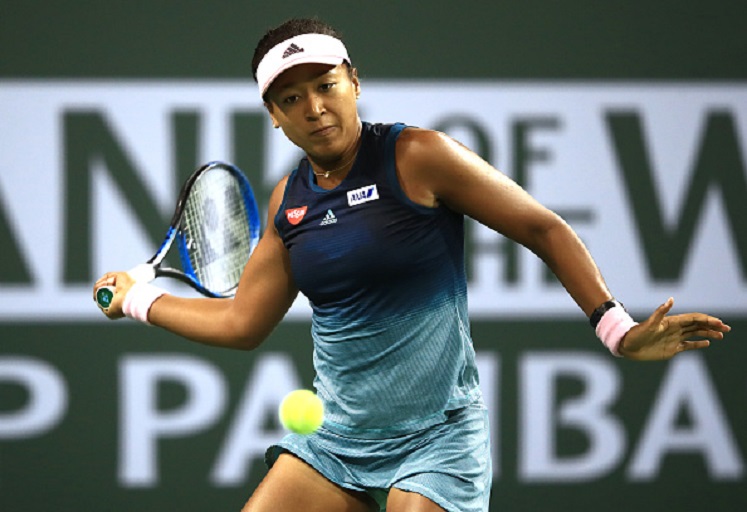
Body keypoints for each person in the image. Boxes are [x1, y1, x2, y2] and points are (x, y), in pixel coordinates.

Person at [93, 17, 731, 512]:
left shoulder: (418, 157)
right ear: (275, 116)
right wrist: (137, 301)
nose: (314, 108)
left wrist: (617, 330)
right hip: (338, 440)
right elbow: (242, 324)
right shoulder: (289, 202)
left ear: (354, 82)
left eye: (325, 86)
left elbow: (544, 228)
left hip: (439, 437)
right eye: (291, 98)